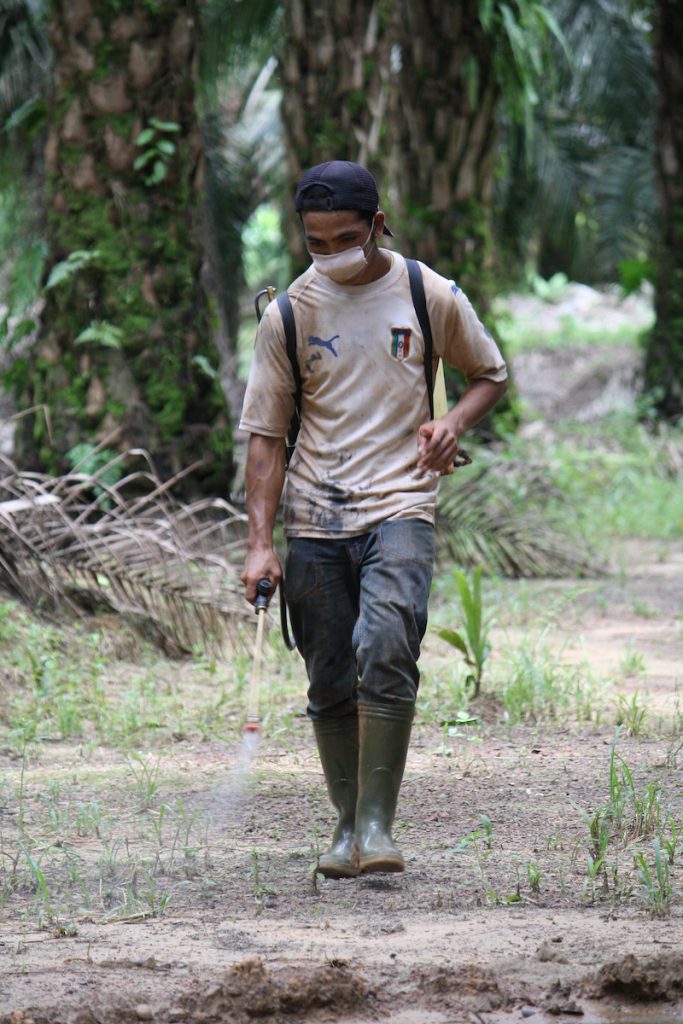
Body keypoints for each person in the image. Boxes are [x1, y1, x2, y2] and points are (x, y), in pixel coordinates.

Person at [239, 160, 507, 879]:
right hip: (315, 513)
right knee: (328, 672)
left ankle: (376, 826)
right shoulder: (288, 314)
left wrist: (450, 420)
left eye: (346, 238)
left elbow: (490, 374)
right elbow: (265, 437)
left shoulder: (427, 293)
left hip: (401, 503)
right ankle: (344, 825)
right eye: (316, 242)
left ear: (378, 226)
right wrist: (260, 545)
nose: (330, 254)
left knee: (387, 642)